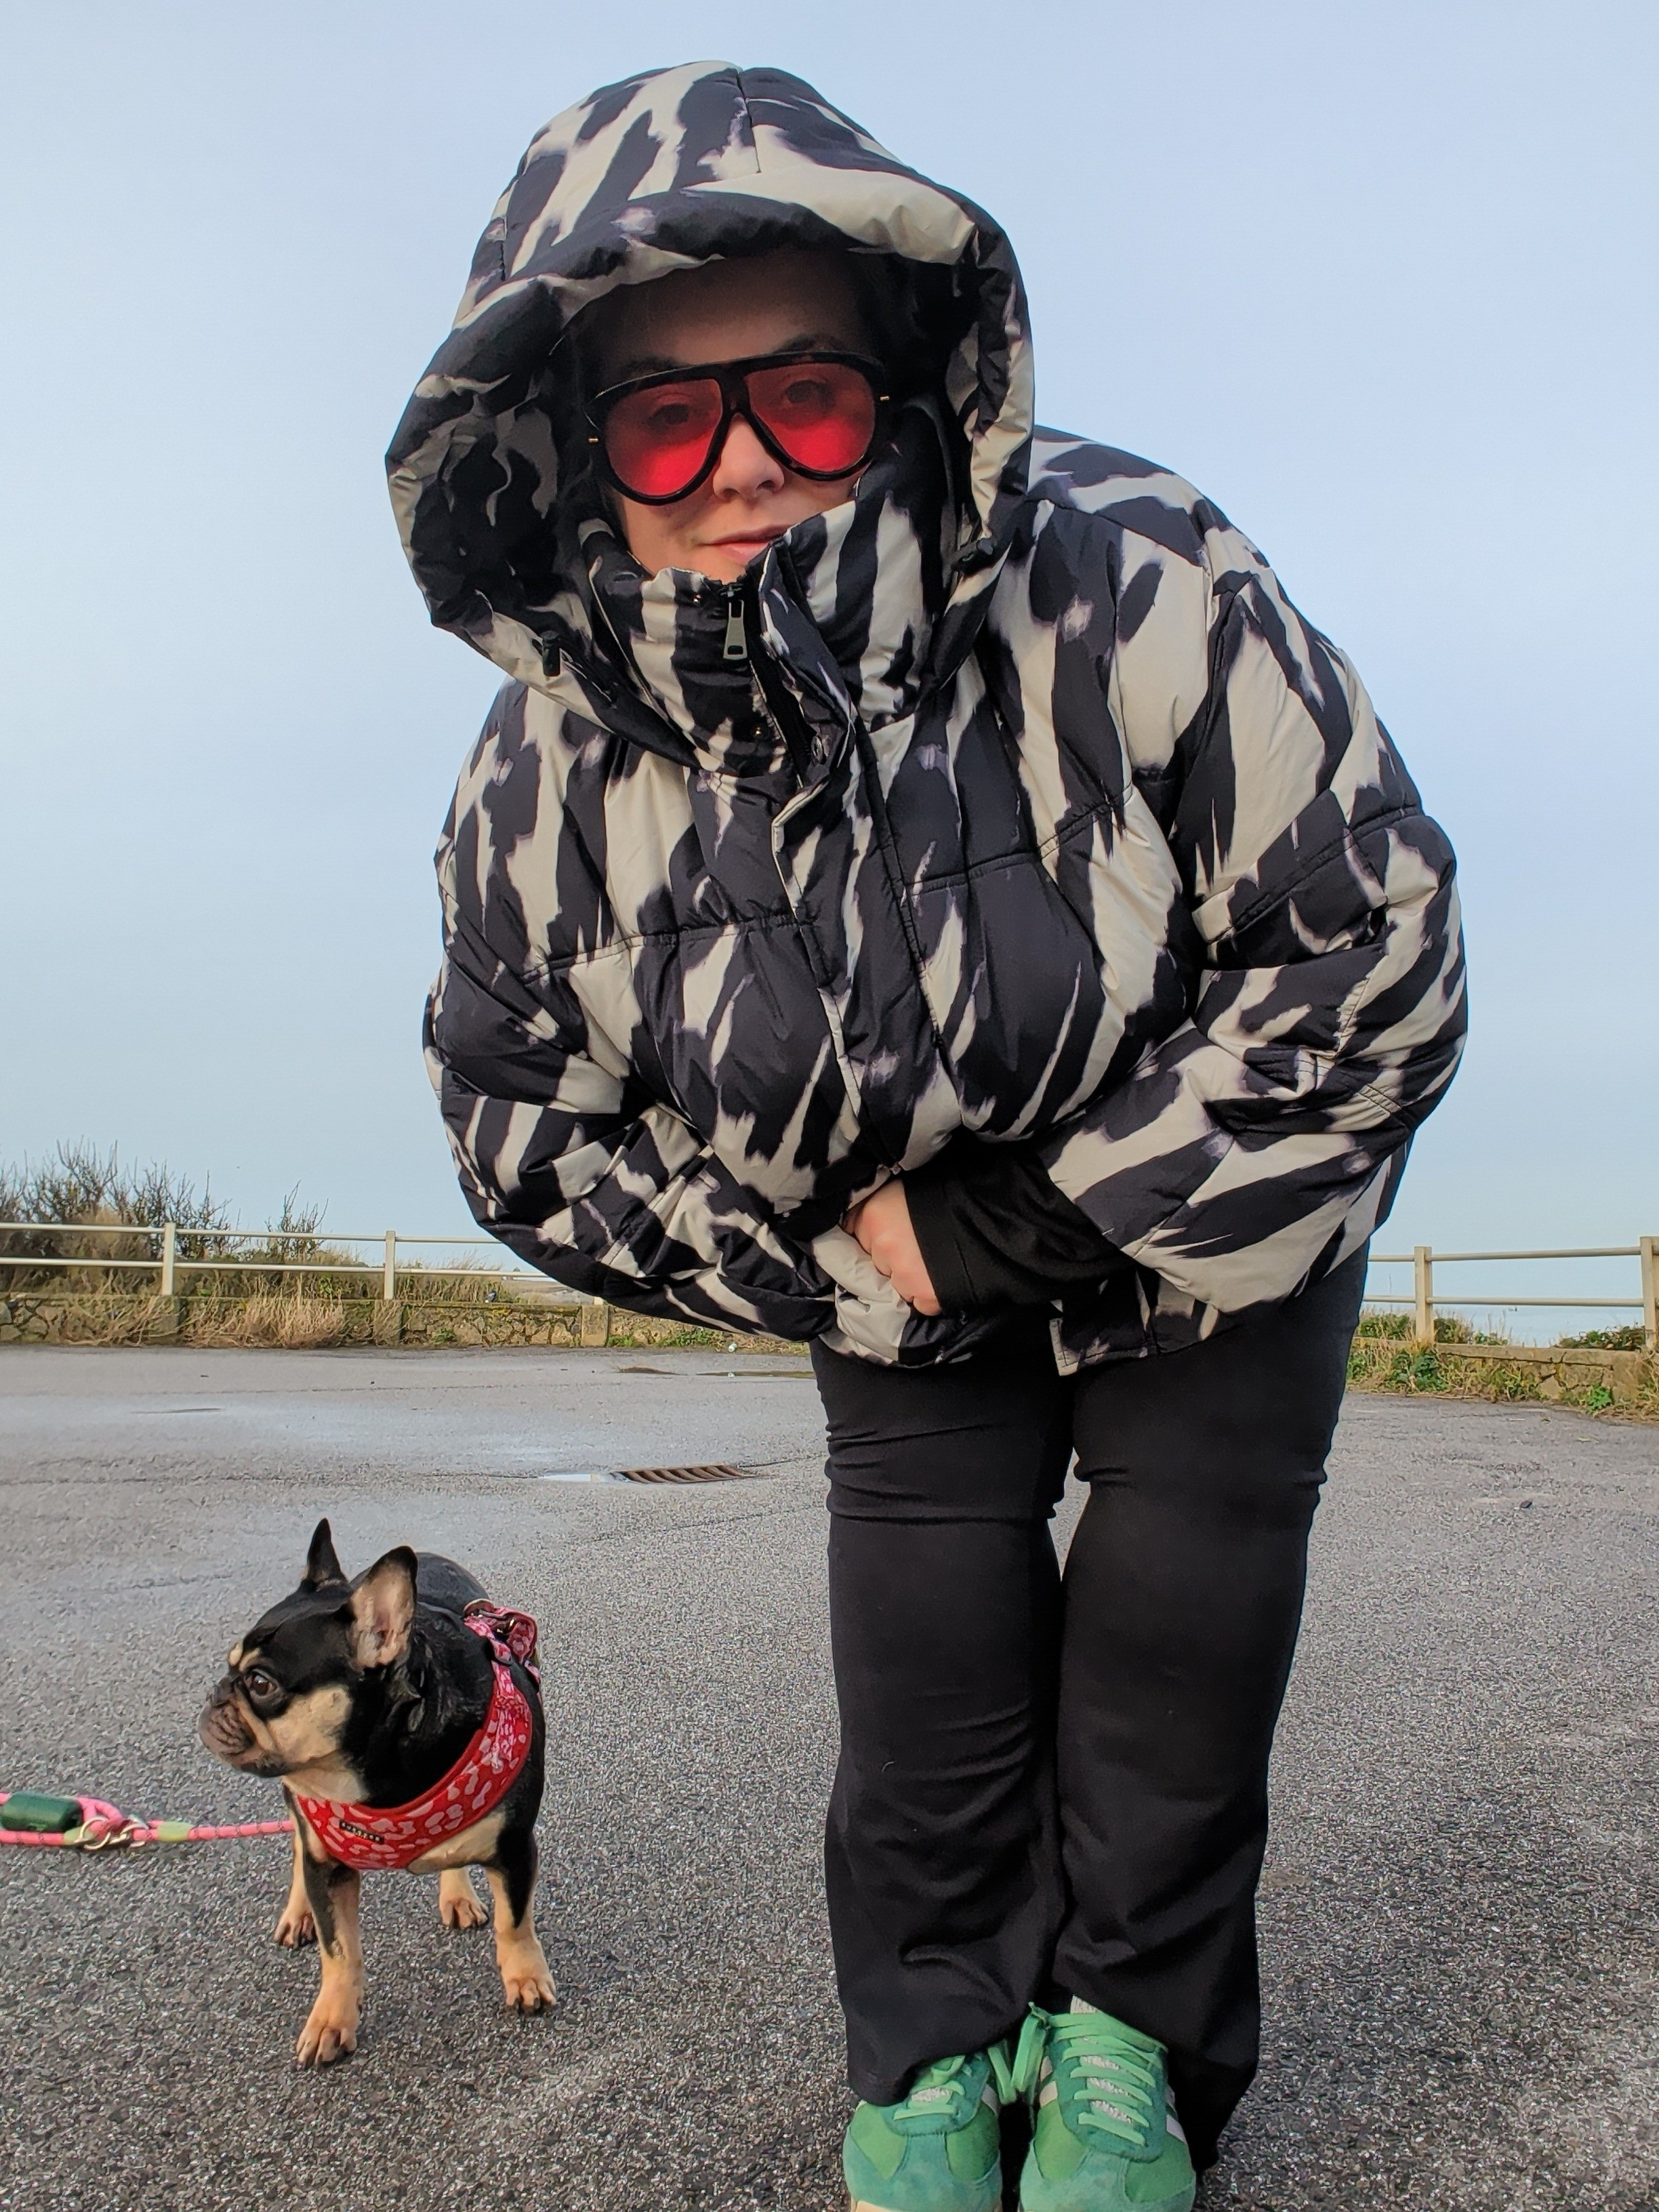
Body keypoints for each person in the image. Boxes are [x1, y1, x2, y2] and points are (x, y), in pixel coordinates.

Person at [390, 62, 1465, 2212]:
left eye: (801, 397)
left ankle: (1129, 2048)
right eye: (663, 419)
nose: (741, 467)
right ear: (569, 445)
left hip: (1218, 1225)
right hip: (876, 1258)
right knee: (929, 1690)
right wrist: (841, 1267)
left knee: (1170, 1663)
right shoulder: (537, 784)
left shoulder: (1140, 571)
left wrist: (1034, 1222)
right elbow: (520, 1130)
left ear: (897, 389)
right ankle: (938, 2046)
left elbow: (1374, 949)